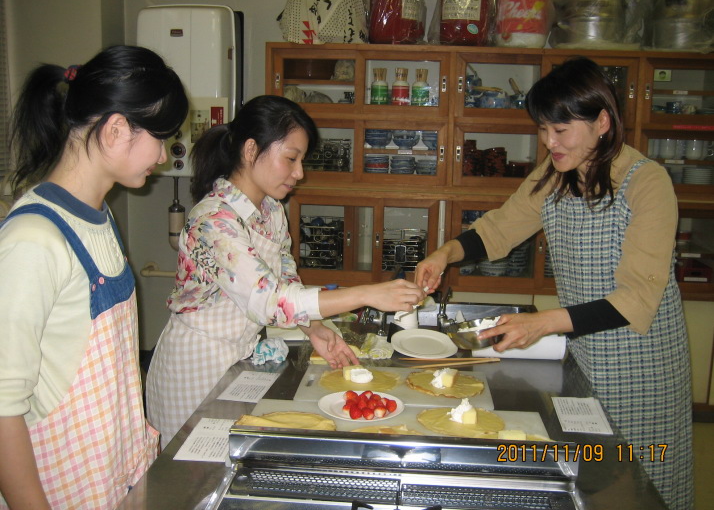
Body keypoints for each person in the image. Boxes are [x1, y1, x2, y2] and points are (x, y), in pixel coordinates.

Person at [415, 57, 692, 510]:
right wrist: (446, 253)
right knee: (589, 476)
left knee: (637, 483)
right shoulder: (555, 176)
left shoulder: (647, 183)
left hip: (640, 365)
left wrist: (543, 324)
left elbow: (637, 298)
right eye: (544, 129)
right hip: (584, 349)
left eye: (561, 130)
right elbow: (500, 228)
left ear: (602, 122)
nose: (549, 142)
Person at [146, 95, 425, 448]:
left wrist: (313, 327)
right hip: (193, 367)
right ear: (251, 150)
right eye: (291, 158)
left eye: (301, 160)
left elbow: (284, 277)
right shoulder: (213, 220)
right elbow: (267, 300)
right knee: (192, 468)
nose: (299, 173)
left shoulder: (271, 211)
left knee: (231, 456)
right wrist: (367, 294)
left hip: (238, 358)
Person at [0, 46, 188, 509]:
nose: (162, 155)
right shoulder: (33, 239)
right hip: (60, 490)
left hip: (112, 474)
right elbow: (2, 410)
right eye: (161, 138)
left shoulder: (100, 218)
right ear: (116, 129)